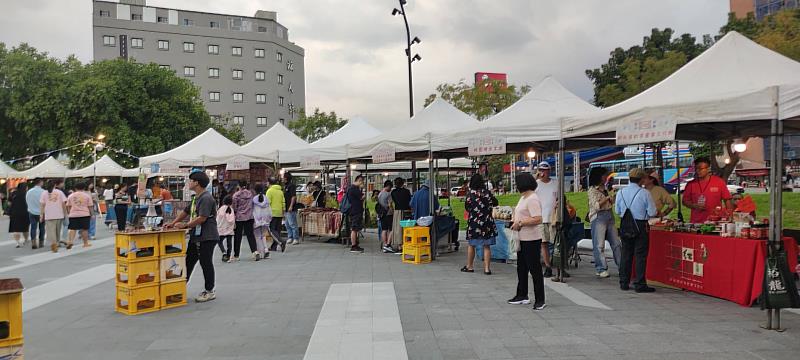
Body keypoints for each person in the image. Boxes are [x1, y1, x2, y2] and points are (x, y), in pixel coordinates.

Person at [166, 171, 218, 303]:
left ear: (197, 183)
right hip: (196, 235)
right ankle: (179, 289)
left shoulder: (206, 198)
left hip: (207, 236)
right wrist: (172, 223)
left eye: (190, 181)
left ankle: (209, 290)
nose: (188, 183)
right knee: (188, 261)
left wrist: (185, 225)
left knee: (205, 262)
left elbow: (202, 218)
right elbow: (186, 211)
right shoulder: (196, 198)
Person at [508, 172, 546, 310]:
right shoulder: (524, 197)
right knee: (522, 268)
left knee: (534, 269)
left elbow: (538, 218)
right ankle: (522, 294)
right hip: (522, 238)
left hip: (531, 239)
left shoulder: (532, 199)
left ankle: (540, 299)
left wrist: (521, 222)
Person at [615, 168, 657, 293]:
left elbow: (617, 211)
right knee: (640, 255)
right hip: (640, 226)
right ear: (642, 179)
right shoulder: (645, 193)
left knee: (626, 254)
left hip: (625, 224)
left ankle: (624, 282)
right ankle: (639, 284)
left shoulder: (621, 192)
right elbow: (652, 212)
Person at [461, 174, 498, 275]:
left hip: (474, 223)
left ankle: (470, 266)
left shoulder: (470, 194)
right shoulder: (487, 193)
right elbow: (495, 203)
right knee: (486, 246)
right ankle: (487, 269)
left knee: (471, 244)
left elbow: (467, 208)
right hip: (487, 223)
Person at [588, 167, 621, 278]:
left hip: (609, 215)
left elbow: (610, 203)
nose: (606, 177)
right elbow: (596, 206)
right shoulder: (592, 190)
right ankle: (601, 268)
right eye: (604, 175)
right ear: (599, 177)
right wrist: (607, 198)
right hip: (598, 217)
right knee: (599, 245)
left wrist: (613, 198)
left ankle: (622, 266)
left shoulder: (605, 188)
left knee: (616, 243)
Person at [682, 157, 732, 223]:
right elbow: (685, 201)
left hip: (715, 221)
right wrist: (694, 205)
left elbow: (727, 199)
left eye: (700, 169)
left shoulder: (719, 182)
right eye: (696, 168)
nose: (698, 171)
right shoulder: (691, 184)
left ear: (708, 169)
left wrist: (730, 215)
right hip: (696, 222)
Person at [534, 161, 558, 278]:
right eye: (541, 170)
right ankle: (548, 266)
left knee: (556, 242)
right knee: (544, 243)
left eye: (546, 170)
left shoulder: (555, 183)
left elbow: (560, 197)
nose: (544, 173)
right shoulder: (536, 184)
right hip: (541, 217)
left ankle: (559, 266)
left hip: (553, 217)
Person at [232, 181, 260, 261]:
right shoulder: (251, 194)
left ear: (238, 185)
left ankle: (236, 255)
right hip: (249, 216)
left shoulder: (236, 195)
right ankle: (255, 251)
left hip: (239, 217)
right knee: (250, 235)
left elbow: (234, 207)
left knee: (238, 236)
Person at [40, 180, 67, 253]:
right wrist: (65, 214)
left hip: (49, 215)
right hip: (59, 214)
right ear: (55, 185)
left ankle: (54, 244)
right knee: (58, 230)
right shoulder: (60, 192)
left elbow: (42, 205)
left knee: (51, 231)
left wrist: (41, 215)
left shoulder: (44, 193)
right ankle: (57, 243)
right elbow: (63, 204)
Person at [66, 182, 93, 249]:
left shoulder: (71, 196)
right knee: (84, 229)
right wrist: (92, 214)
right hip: (84, 214)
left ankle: (70, 241)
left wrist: (69, 213)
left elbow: (68, 206)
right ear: (84, 188)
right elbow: (90, 206)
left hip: (73, 214)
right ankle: (85, 243)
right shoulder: (87, 196)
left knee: (72, 228)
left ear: (75, 188)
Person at [390, 177, 412, 250]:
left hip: (397, 212)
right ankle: (406, 243)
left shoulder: (393, 192)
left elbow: (392, 202)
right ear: (403, 183)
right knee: (407, 228)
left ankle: (399, 245)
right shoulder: (407, 191)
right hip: (406, 211)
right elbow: (410, 201)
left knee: (398, 229)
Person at [266, 176, 287, 252]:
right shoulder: (280, 191)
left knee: (272, 230)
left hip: (272, 213)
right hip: (279, 213)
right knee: (277, 230)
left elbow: (267, 203)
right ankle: (273, 247)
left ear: (269, 183)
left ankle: (281, 241)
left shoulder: (269, 191)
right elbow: (283, 202)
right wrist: (283, 212)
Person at [346, 175, 365, 253]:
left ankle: (355, 245)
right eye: (362, 182)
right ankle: (353, 246)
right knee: (354, 229)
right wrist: (362, 191)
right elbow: (362, 197)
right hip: (355, 211)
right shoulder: (354, 189)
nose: (362, 184)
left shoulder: (351, 188)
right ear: (359, 181)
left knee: (356, 229)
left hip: (354, 210)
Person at [252, 183, 272, 258]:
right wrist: (269, 218)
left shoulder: (254, 199)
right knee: (263, 236)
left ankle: (260, 253)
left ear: (255, 190)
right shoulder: (266, 198)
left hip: (257, 220)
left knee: (257, 236)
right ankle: (266, 250)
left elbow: (253, 210)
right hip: (265, 219)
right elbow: (269, 210)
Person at [8, 183, 30, 248]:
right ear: (25, 187)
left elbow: (9, 203)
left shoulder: (13, 193)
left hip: (14, 213)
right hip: (25, 213)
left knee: (16, 229)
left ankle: (17, 243)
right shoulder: (27, 194)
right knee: (25, 228)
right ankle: (26, 240)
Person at [26, 179, 45, 249]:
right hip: (41, 212)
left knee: (33, 227)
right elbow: (45, 202)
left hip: (31, 212)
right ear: (40, 182)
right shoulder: (43, 191)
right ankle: (41, 242)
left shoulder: (29, 191)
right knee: (42, 228)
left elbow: (27, 200)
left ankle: (33, 242)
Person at [216, 195, 235, 262]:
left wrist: (217, 226)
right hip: (229, 229)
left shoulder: (221, 209)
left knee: (219, 241)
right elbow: (232, 220)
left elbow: (218, 219)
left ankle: (224, 253)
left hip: (221, 228)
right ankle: (228, 256)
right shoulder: (231, 209)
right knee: (229, 243)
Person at [283, 172, 300, 246]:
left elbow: (293, 196)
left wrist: (291, 206)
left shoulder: (291, 186)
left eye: (283, 177)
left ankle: (296, 238)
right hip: (286, 207)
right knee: (287, 224)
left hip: (291, 208)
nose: (282, 179)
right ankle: (290, 237)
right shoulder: (285, 186)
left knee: (292, 223)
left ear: (286, 178)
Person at [377, 180, 394, 253]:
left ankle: (384, 245)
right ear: (388, 186)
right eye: (390, 187)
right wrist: (392, 210)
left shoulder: (380, 194)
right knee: (391, 229)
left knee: (384, 230)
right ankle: (388, 245)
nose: (391, 189)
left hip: (381, 214)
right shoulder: (388, 194)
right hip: (388, 213)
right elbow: (390, 204)